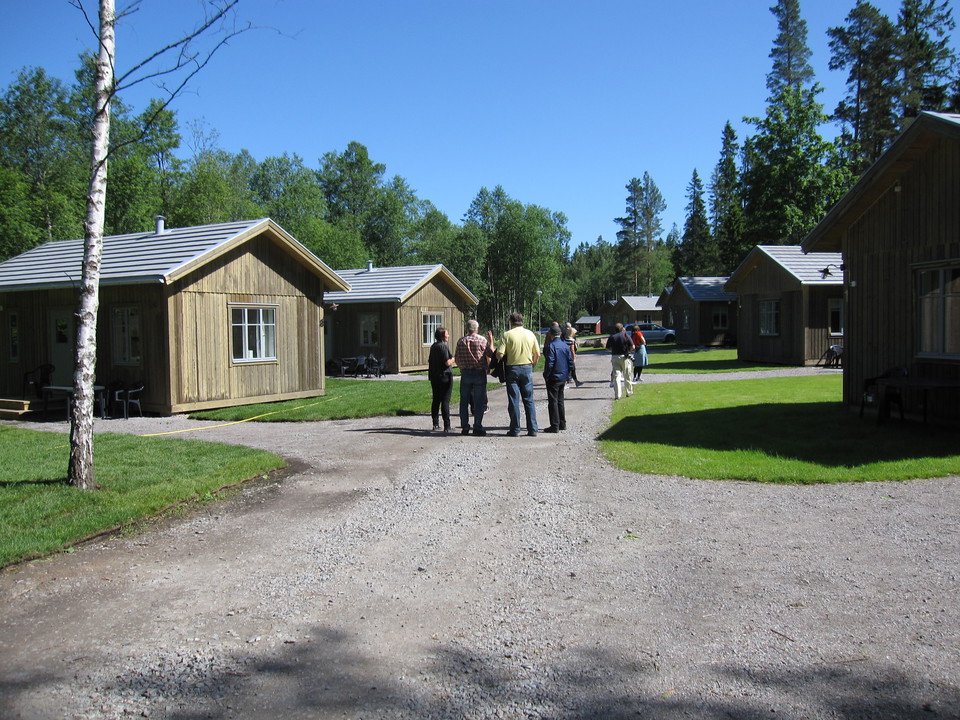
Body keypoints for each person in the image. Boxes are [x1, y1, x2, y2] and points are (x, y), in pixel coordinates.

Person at [495, 312, 540, 437]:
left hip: (512, 368)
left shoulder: (507, 335)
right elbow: (538, 354)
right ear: (522, 321)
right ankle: (533, 429)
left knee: (514, 400)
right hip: (527, 367)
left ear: (511, 322)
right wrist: (533, 364)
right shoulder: (530, 334)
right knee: (529, 399)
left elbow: (500, 354)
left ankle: (515, 429)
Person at [454, 319, 495, 436]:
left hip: (466, 372)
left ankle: (465, 427)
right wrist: (491, 341)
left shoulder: (461, 341)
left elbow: (456, 358)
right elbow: (491, 354)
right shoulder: (482, 340)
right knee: (478, 401)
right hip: (479, 372)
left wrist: (462, 367)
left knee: (464, 401)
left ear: (467, 329)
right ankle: (477, 426)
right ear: (477, 329)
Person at [542, 324, 573, 433]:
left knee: (553, 401)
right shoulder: (565, 345)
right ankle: (562, 423)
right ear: (560, 334)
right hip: (562, 377)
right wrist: (568, 376)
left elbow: (550, 363)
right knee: (560, 400)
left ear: (551, 334)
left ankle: (554, 425)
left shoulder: (551, 346)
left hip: (553, 377)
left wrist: (546, 375)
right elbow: (570, 362)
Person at [428, 327, 454, 432]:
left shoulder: (433, 346)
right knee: (445, 400)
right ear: (442, 336)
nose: (448, 336)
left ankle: (435, 424)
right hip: (445, 376)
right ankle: (447, 426)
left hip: (434, 376)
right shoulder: (443, 346)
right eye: (447, 334)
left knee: (436, 400)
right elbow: (447, 362)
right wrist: (454, 359)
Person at [605, 322, 634, 400]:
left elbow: (607, 348)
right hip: (625, 357)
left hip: (615, 357)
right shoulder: (625, 335)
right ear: (622, 328)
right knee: (627, 375)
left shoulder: (612, 337)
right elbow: (632, 346)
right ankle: (629, 392)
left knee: (617, 376)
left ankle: (618, 395)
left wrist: (613, 350)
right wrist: (628, 350)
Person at [564, 323, 584, 388]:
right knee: (571, 369)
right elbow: (572, 350)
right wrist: (574, 357)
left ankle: (576, 382)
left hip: (565, 357)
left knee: (570, 370)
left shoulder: (564, 339)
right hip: (570, 357)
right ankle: (566, 383)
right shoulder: (571, 340)